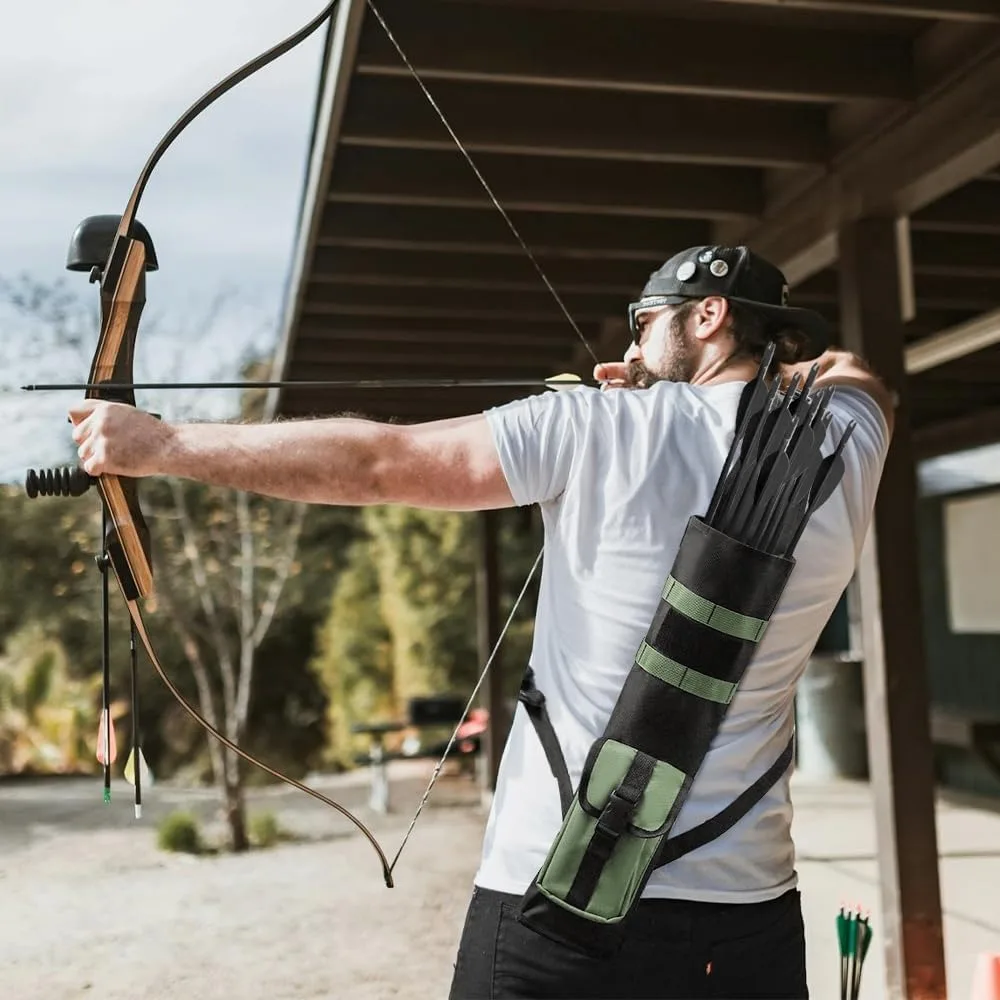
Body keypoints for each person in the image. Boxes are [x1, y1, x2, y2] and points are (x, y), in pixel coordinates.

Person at [69, 245, 893, 999]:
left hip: (559, 900)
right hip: (747, 918)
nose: (632, 347)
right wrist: (742, 374)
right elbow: (861, 375)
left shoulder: (594, 424)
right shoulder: (849, 442)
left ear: (708, 315)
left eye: (644, 324)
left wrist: (161, 444)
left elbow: (379, 463)